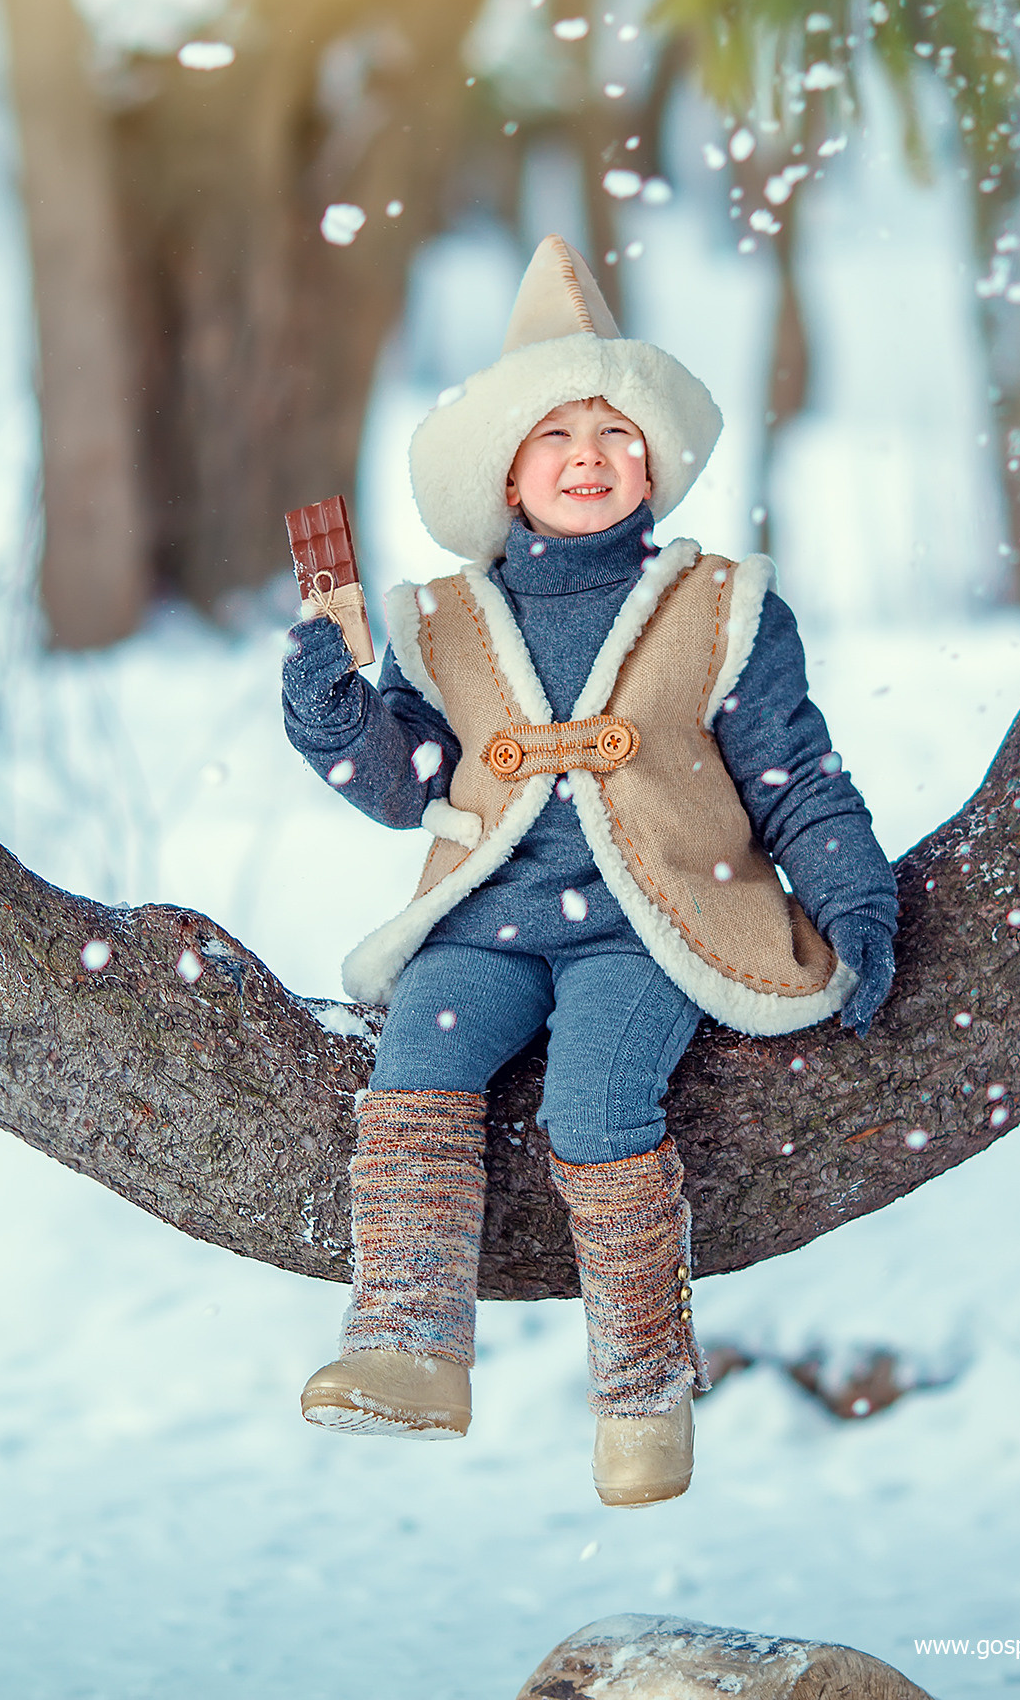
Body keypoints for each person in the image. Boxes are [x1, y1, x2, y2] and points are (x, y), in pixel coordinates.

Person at [281, 236, 898, 1506]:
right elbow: (402, 784)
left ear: (652, 466)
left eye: (614, 434)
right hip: (487, 917)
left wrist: (850, 898)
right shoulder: (441, 621)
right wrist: (330, 704)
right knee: (418, 1066)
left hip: (648, 918)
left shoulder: (720, 606)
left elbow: (793, 774)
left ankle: (641, 1396)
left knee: (595, 1106)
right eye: (554, 435)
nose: (585, 457)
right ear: (505, 471)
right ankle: (406, 1342)